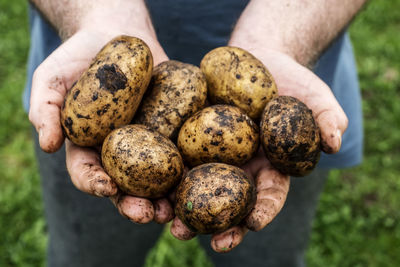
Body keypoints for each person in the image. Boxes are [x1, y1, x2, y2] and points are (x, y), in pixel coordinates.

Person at [25, 0, 365, 266]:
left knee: (269, 257)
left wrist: (280, 38)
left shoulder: (262, 117)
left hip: (293, 45)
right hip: (91, 60)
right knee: (89, 257)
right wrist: (99, 14)